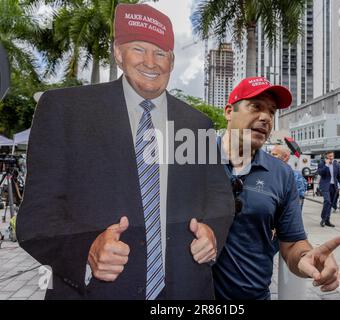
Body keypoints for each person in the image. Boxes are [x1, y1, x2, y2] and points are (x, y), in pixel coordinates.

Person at [16, 3, 234, 300]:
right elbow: (36, 219)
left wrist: (213, 232)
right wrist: (87, 249)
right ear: (118, 53)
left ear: (171, 61)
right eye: (139, 49)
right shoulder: (64, 111)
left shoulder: (198, 123)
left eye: (161, 53)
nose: (151, 62)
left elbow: (220, 197)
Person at [212, 76, 340, 300]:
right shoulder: (192, 162)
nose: (266, 117)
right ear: (229, 112)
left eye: (272, 112)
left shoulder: (282, 174)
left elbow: (292, 243)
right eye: (256, 106)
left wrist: (305, 257)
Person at [271, 145, 307, 210]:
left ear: (285, 157)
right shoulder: (268, 172)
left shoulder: (295, 176)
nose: (271, 157)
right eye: (270, 154)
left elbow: (298, 200)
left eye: (274, 154)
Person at [317, 151, 340, 227]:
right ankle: (323, 219)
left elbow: (339, 176)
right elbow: (320, 173)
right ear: (326, 156)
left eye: (332, 156)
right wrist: (326, 165)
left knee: (331, 203)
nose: (331, 158)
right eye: (329, 156)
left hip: (334, 186)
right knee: (327, 201)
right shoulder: (322, 163)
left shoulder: (336, 164)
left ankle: (327, 220)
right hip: (325, 185)